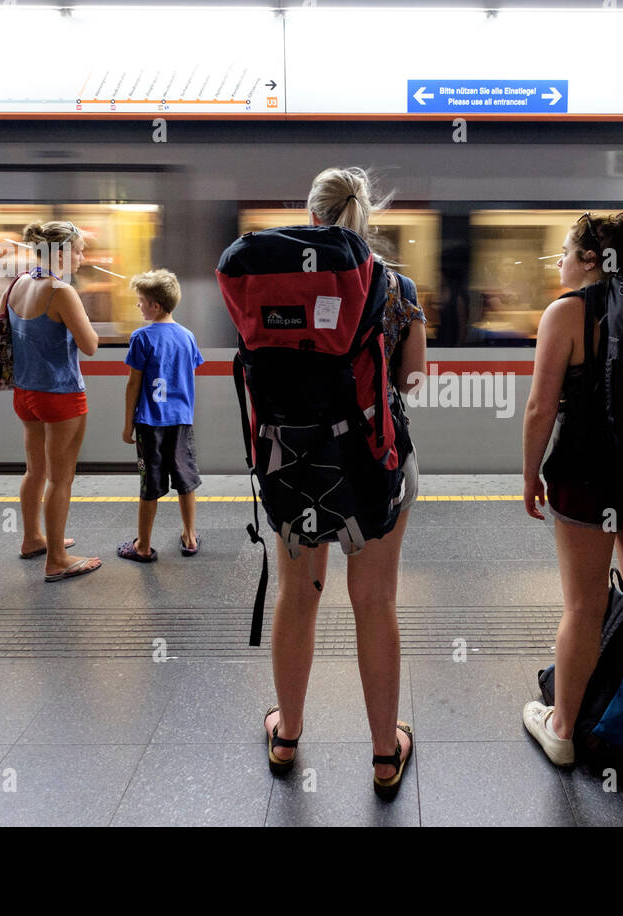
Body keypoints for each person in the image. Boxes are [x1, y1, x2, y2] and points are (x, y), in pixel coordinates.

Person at [262, 167, 427, 797]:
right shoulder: (396, 287)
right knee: (375, 600)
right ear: (366, 218)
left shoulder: (274, 283)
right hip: (377, 463)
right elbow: (411, 382)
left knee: (298, 594)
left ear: (310, 216)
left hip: (295, 462)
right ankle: (386, 755)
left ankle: (287, 735)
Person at [521, 212, 623, 766]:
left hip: (585, 477)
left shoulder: (567, 313)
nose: (560, 261)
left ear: (591, 259)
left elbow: (541, 407)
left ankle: (561, 730)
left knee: (584, 605)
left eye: (565, 251)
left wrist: (529, 473)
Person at [3, 220, 102, 582]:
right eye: (78, 249)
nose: (82, 256)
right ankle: (58, 558)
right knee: (62, 479)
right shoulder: (62, 292)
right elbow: (89, 345)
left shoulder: (19, 283)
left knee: (35, 470)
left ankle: (32, 539)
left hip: (25, 392)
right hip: (61, 395)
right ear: (60, 252)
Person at [119, 269, 205, 562]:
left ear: (155, 305)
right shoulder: (188, 336)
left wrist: (127, 424)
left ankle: (142, 545)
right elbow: (188, 372)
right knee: (185, 480)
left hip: (149, 422)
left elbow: (134, 384)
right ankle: (190, 537)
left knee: (150, 485)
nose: (138, 306)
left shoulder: (141, 337)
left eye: (141, 301)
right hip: (181, 420)